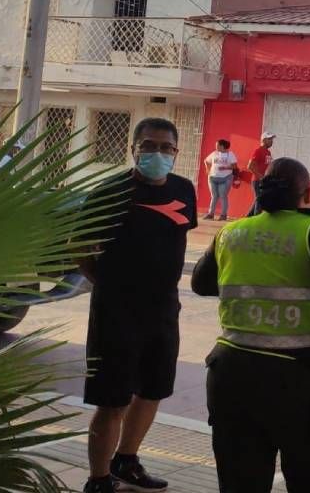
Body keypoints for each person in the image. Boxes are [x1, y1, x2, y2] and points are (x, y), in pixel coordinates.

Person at [191, 157, 310, 493]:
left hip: (230, 376)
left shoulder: (231, 232)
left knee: (241, 482)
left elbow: (201, 283)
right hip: (299, 379)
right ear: (306, 193)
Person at [77, 118, 197, 493]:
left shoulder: (184, 189)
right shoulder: (110, 192)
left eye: (166, 147)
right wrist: (108, 283)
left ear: (176, 153)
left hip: (163, 311)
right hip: (116, 313)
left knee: (153, 391)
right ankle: (98, 480)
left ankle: (126, 461)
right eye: (148, 145)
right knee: (111, 400)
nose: (157, 153)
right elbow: (79, 247)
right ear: (133, 148)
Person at [204, 139, 238, 221]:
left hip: (225, 178)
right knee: (214, 196)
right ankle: (210, 214)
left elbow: (234, 166)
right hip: (212, 177)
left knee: (223, 196)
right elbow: (206, 161)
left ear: (223, 146)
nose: (216, 147)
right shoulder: (214, 153)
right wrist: (208, 170)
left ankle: (223, 215)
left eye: (218, 145)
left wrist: (225, 167)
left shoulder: (230, 154)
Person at [246, 132, 275, 217]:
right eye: (269, 139)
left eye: (272, 139)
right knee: (260, 201)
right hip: (258, 181)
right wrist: (261, 177)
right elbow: (250, 166)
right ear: (264, 140)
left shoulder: (268, 152)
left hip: (264, 180)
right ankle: (255, 220)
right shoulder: (258, 151)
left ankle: (247, 218)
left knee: (258, 200)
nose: (271, 141)